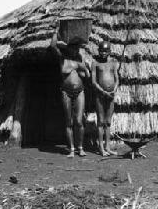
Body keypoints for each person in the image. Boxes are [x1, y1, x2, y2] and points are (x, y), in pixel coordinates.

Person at [50, 28, 91, 158]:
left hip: (79, 91)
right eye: (73, 48)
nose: (75, 50)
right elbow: (53, 46)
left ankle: (80, 147)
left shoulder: (80, 60)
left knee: (79, 121)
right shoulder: (63, 59)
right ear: (68, 48)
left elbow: (87, 76)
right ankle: (72, 149)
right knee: (69, 121)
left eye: (76, 48)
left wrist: (84, 70)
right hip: (66, 92)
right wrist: (55, 33)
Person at [91, 41, 119, 156]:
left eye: (105, 51)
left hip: (111, 95)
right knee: (101, 121)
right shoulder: (95, 63)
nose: (103, 53)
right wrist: (103, 91)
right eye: (101, 51)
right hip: (100, 95)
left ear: (109, 52)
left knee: (108, 122)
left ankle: (108, 147)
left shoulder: (113, 63)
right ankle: (101, 148)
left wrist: (114, 89)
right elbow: (93, 81)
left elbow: (117, 79)